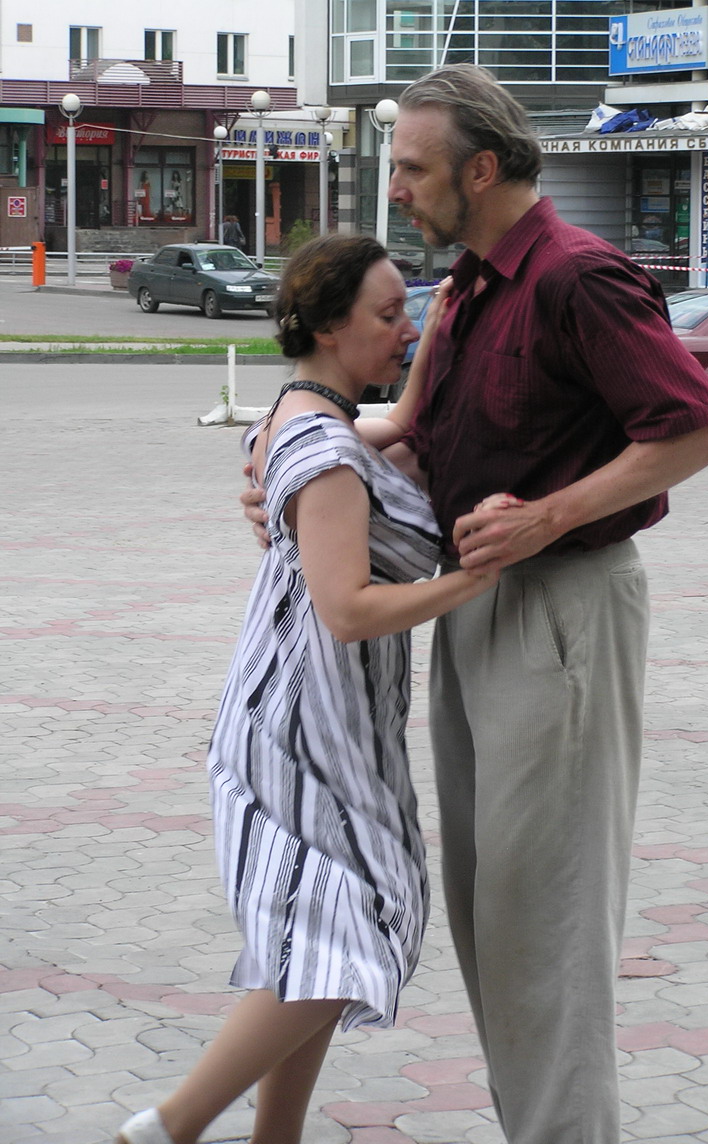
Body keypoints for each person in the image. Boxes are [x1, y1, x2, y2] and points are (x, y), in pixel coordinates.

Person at [242, 65, 708, 1144]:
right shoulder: (470, 286)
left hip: (561, 611)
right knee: (494, 913)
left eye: (413, 168)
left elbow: (699, 427)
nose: (398, 189)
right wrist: (294, 466)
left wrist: (549, 517)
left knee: (546, 921)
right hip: (476, 606)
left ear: (480, 169)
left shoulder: (577, 276)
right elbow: (417, 437)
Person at [114, 234, 499, 1144]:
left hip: (322, 716)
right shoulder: (322, 446)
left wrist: (439, 330)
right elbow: (348, 609)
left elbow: (402, 419)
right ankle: (169, 1126)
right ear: (329, 326)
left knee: (320, 938)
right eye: (388, 314)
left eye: (409, 312)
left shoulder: (309, 412)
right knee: (356, 930)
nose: (405, 329)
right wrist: (475, 578)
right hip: (301, 725)